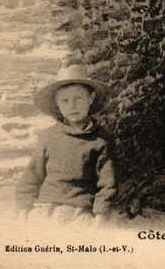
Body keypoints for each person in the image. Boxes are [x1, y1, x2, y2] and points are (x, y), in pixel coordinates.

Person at [15, 65, 117, 228]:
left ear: (91, 98)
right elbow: (32, 176)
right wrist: (23, 210)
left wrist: (100, 217)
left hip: (80, 211)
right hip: (44, 207)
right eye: (65, 101)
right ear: (57, 104)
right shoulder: (49, 136)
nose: (72, 106)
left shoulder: (101, 140)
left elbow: (108, 184)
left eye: (78, 98)